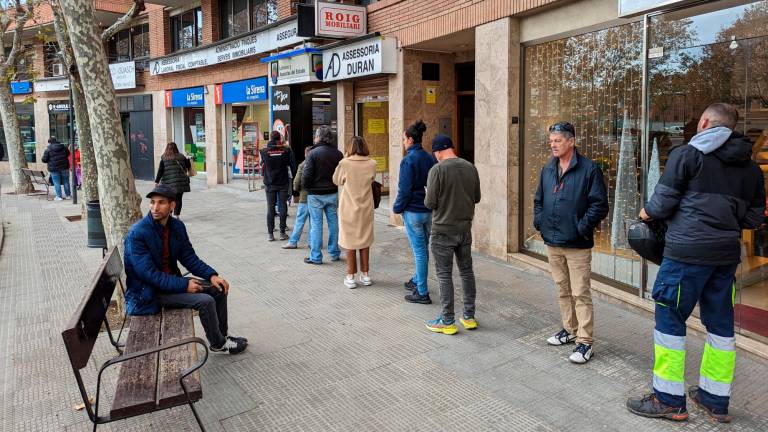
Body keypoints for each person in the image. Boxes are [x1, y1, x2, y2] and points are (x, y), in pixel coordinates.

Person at [626, 103, 765, 423]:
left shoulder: (687, 155)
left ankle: (668, 400)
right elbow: (755, 217)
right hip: (725, 259)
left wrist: (642, 217)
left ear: (704, 123)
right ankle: (715, 400)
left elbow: (661, 204)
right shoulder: (751, 168)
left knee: (670, 324)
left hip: (686, 255)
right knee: (720, 327)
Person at [124, 184, 248, 354]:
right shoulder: (138, 233)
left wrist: (212, 275)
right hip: (148, 294)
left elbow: (189, 257)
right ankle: (218, 345)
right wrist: (184, 285)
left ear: (172, 205)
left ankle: (222, 337)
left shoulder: (176, 227)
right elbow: (149, 275)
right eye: (152, 202)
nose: (155, 207)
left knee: (219, 289)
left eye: (161, 203)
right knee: (205, 301)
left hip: (170, 284)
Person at [533, 121, 608, 364]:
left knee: (580, 293)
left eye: (557, 140)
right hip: (552, 240)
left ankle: (585, 343)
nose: (552, 144)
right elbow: (539, 199)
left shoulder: (589, 170)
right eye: (551, 140)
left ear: (571, 141)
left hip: (577, 244)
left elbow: (600, 205)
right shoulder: (548, 168)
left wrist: (581, 228)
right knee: (562, 290)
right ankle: (569, 330)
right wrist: (539, 222)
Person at [423, 135, 481, 335]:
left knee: (444, 274)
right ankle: (469, 317)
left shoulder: (437, 170)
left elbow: (430, 203)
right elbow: (477, 198)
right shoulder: (470, 167)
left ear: (438, 151)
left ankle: (447, 320)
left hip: (442, 231)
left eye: (435, 153)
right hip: (464, 230)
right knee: (466, 271)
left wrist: (428, 193)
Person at [392, 120, 437, 304]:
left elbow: (404, 189)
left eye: (404, 139)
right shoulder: (430, 158)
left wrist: (396, 208)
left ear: (410, 139)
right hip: (427, 211)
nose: (403, 142)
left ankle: (422, 292)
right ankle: (418, 280)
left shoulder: (408, 160)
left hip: (413, 212)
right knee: (423, 249)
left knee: (419, 251)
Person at [333, 136, 377, 288]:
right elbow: (372, 180)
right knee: (365, 240)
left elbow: (336, 180)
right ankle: (365, 275)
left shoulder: (344, 163)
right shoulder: (372, 163)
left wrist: (345, 159)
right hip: (365, 207)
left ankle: (350, 277)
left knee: (349, 241)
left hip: (348, 208)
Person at [302, 125, 343, 265]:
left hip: (315, 195)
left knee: (316, 224)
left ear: (319, 137)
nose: (314, 138)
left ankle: (316, 256)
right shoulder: (338, 154)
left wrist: (306, 187)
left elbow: (306, 176)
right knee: (333, 223)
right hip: (332, 192)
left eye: (315, 135)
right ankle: (334, 252)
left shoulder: (313, 153)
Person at [260, 131, 295, 241]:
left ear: (270, 138)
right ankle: (282, 233)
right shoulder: (286, 150)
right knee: (282, 206)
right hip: (283, 182)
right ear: (279, 138)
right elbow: (293, 166)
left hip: (270, 183)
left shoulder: (264, 151)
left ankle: (270, 234)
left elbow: (262, 165)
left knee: (270, 208)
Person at [282, 146, 312, 250]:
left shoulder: (303, 165)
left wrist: (297, 190)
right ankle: (312, 242)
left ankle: (293, 242)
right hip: (315, 197)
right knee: (314, 222)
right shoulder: (318, 164)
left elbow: (296, 182)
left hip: (304, 197)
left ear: (305, 154)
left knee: (299, 221)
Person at [155, 142, 191, 218]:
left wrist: (157, 181)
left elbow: (160, 171)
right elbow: (188, 166)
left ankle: (170, 214)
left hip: (168, 183)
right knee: (178, 199)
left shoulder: (164, 158)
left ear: (167, 148)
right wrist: (188, 159)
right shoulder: (181, 156)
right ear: (176, 148)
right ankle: (177, 216)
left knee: (169, 199)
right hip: (180, 183)